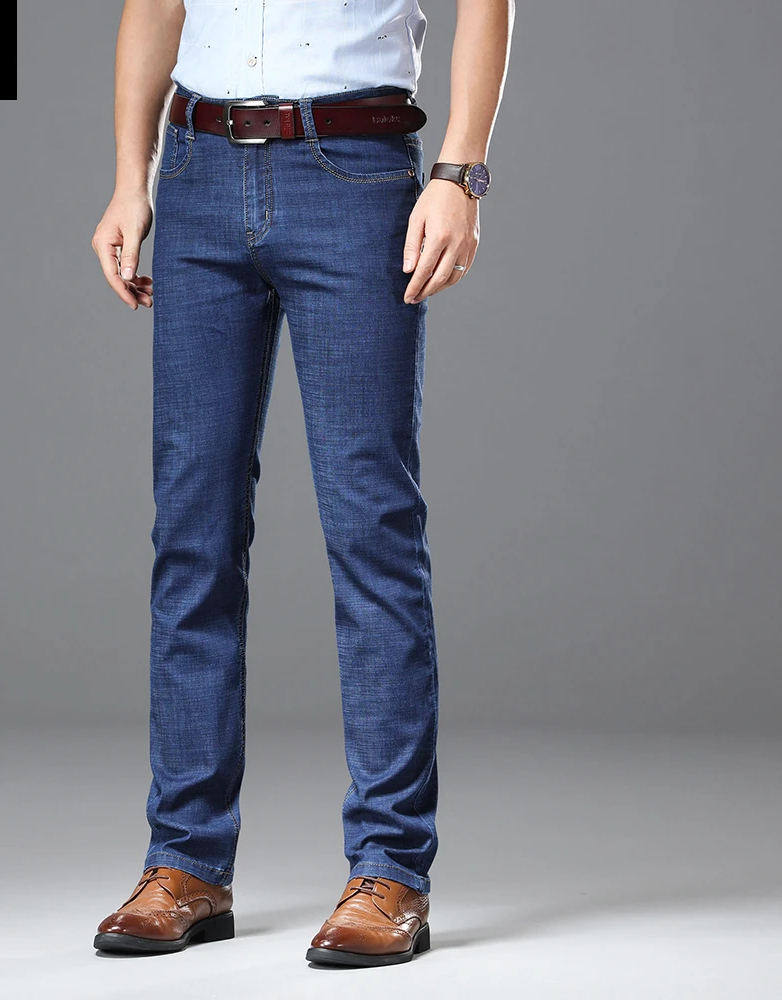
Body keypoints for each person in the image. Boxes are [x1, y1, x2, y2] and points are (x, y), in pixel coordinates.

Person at [90, 0, 514, 968]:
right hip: (196, 170)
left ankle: (390, 868)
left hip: (353, 168)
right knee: (191, 532)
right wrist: (129, 180)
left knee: (372, 528)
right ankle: (185, 863)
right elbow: (155, 5)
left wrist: (460, 174)